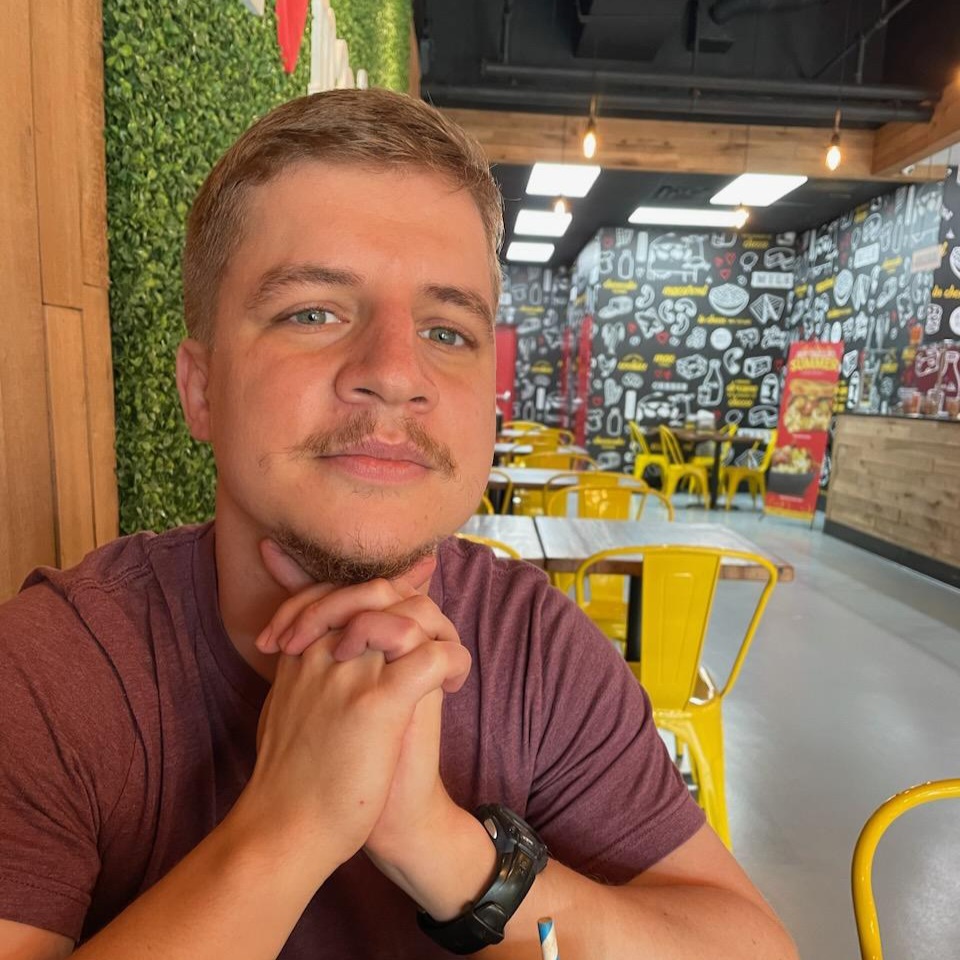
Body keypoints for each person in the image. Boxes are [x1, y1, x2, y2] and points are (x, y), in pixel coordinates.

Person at [0, 88, 797, 960]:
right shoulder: (51, 672)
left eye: (447, 332)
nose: (393, 372)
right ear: (201, 389)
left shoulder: (535, 648)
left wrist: (442, 847)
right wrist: (292, 827)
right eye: (313, 312)